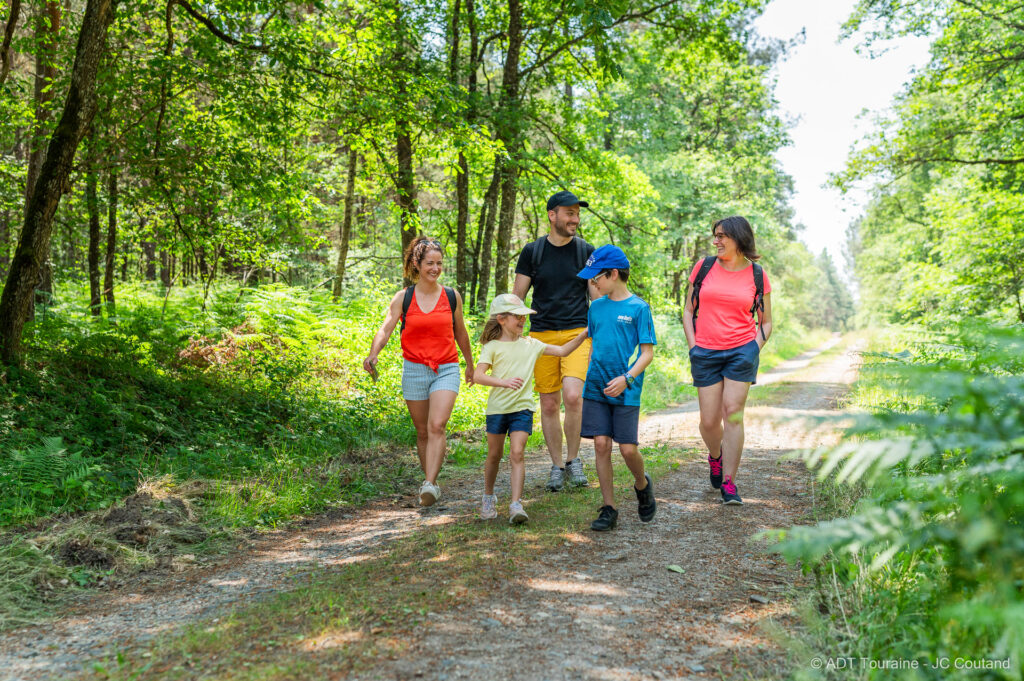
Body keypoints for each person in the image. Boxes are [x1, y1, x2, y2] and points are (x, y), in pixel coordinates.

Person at [363, 236, 476, 507]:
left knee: (437, 425)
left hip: (446, 368)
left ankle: (428, 484)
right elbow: (386, 327)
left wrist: (470, 364)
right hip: (414, 369)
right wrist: (373, 352)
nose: (435, 268)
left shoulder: (451, 296)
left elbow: (460, 332)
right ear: (416, 263)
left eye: (439, 263)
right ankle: (432, 482)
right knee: (422, 431)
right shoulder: (404, 297)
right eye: (429, 263)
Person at [473, 294, 589, 524]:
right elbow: (478, 376)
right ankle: (488, 496)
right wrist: (503, 382)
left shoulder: (531, 344)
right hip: (497, 409)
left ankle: (516, 504)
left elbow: (564, 351)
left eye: (524, 316)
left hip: (522, 408)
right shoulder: (492, 347)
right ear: (501, 319)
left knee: (517, 452)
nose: (522, 320)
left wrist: (587, 331)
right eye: (517, 316)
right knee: (494, 455)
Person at [683, 216, 773, 505]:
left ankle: (730, 483)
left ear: (739, 239)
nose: (717, 241)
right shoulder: (704, 267)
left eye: (722, 236)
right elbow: (688, 311)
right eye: (715, 235)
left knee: (732, 412)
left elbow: (767, 322)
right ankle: (716, 456)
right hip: (705, 352)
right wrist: (693, 346)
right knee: (709, 422)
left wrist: (753, 348)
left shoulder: (757, 274)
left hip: (740, 352)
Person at [513, 190, 597, 492]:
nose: (575, 219)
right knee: (549, 403)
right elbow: (517, 297)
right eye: (569, 213)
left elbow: (596, 297)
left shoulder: (586, 251)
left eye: (577, 214)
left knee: (573, 396)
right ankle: (557, 465)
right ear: (553, 215)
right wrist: (513, 336)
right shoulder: (532, 252)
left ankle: (574, 461)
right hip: (541, 336)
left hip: (578, 333)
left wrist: (600, 330)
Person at [575, 245, 657, 531]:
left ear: (612, 274)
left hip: (626, 388)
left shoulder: (639, 308)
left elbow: (647, 353)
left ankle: (642, 483)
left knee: (627, 449)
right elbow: (595, 345)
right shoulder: (596, 307)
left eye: (596, 277)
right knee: (600, 444)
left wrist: (627, 378)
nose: (592, 283)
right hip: (596, 386)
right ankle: (609, 508)